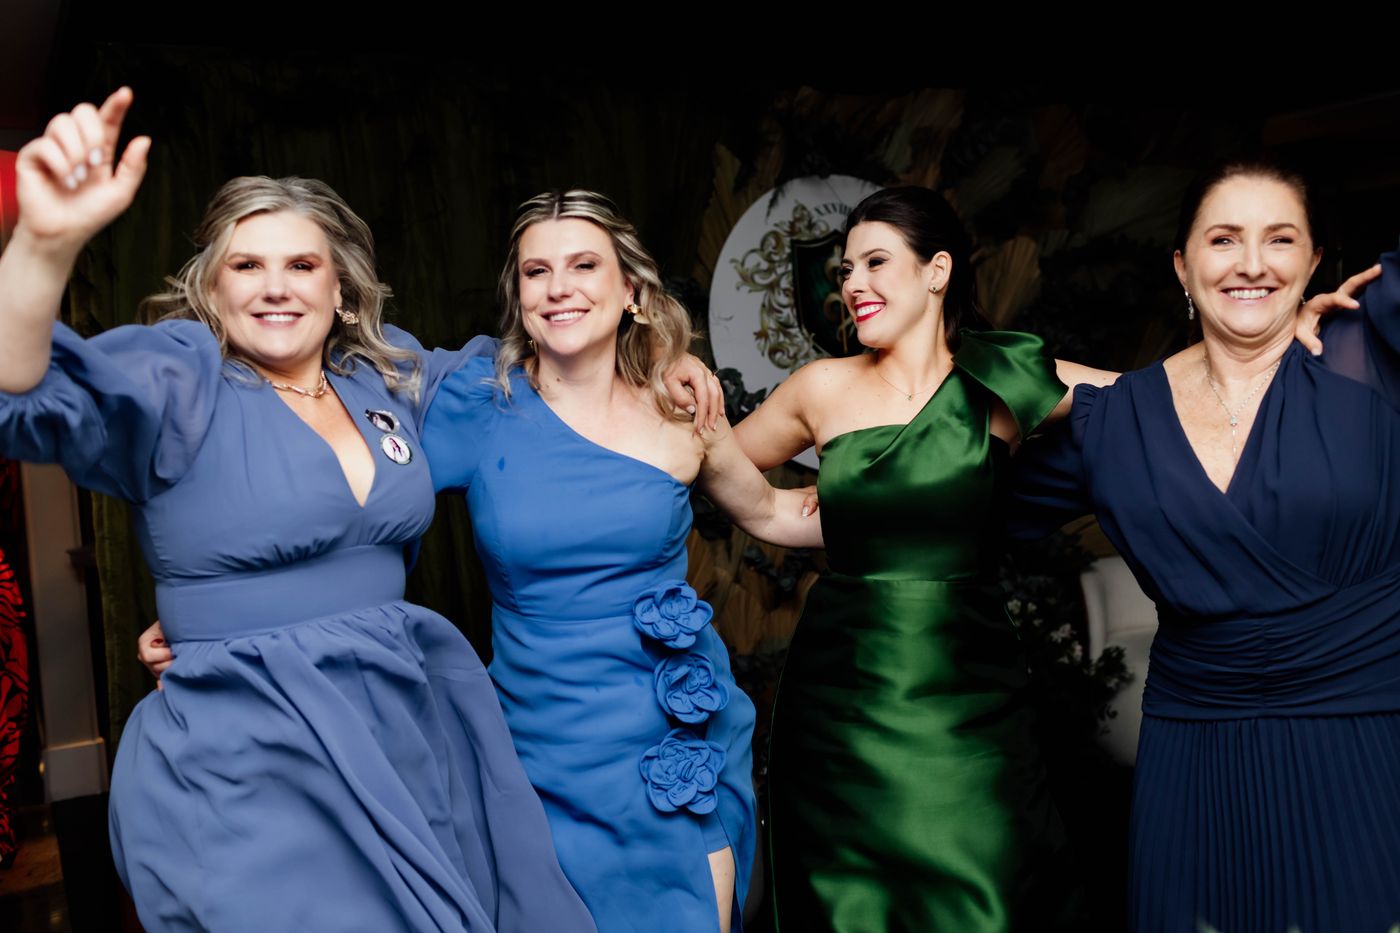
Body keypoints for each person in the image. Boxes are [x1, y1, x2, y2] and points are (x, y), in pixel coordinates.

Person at [0, 89, 712, 932]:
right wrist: (44, 244)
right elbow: (24, 393)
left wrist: (660, 361)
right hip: (249, 742)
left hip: (401, 727)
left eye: (301, 265)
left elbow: (550, 362)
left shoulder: (387, 376)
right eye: (246, 266)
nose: (275, 287)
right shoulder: (180, 376)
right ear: (212, 288)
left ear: (340, 287)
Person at [418, 190, 824, 933]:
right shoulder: (475, 405)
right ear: (519, 297)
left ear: (630, 289)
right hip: (539, 748)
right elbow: (357, 467)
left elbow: (771, 511)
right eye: (536, 271)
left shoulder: (681, 413)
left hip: (669, 739)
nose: (558, 287)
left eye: (583, 265)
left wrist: (934, 497)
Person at [1011, 161, 1397, 932]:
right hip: (1195, 765)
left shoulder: (1370, 348)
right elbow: (932, 464)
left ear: (1316, 260)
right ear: (1182, 266)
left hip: (1369, 742)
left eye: (1280, 239)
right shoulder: (1117, 421)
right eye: (1223, 239)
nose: (1252, 263)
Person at [728, 185, 1119, 932]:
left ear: (937, 270)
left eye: (875, 262)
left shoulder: (1004, 376)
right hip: (844, 697)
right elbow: (722, 470)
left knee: (987, 891)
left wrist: (1278, 337)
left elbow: (1152, 401)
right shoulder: (821, 386)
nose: (853, 284)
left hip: (971, 694)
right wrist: (845, 511)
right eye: (846, 270)